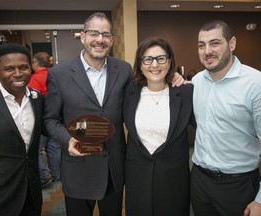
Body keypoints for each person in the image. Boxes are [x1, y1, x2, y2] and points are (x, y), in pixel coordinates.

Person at [43, 12, 184, 216]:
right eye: (94, 33)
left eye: (105, 34)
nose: (100, 39)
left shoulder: (124, 70)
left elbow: (148, 86)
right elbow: (50, 120)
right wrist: (68, 141)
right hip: (78, 169)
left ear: (111, 40)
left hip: (113, 169)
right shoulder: (59, 74)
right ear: (83, 37)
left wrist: (173, 77)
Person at [190, 20, 261, 216]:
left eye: (215, 43)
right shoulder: (196, 82)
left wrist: (260, 200)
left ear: (232, 44)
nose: (207, 51)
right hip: (199, 180)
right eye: (201, 45)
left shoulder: (255, 84)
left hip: (238, 185)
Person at [123, 37, 195, 216]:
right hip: (137, 176)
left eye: (160, 58)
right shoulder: (128, 92)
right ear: (140, 64)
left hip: (174, 179)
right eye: (147, 59)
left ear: (169, 62)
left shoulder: (186, 92)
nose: (154, 65)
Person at [0, 43, 44, 216]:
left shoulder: (38, 100)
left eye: (23, 67)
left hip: (31, 193)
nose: (18, 74)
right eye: (9, 68)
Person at [28, 52, 61, 188]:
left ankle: (44, 176)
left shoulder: (33, 79)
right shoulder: (56, 75)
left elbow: (32, 102)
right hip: (56, 118)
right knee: (54, 147)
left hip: (41, 120)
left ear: (35, 63)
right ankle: (57, 174)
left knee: (37, 149)